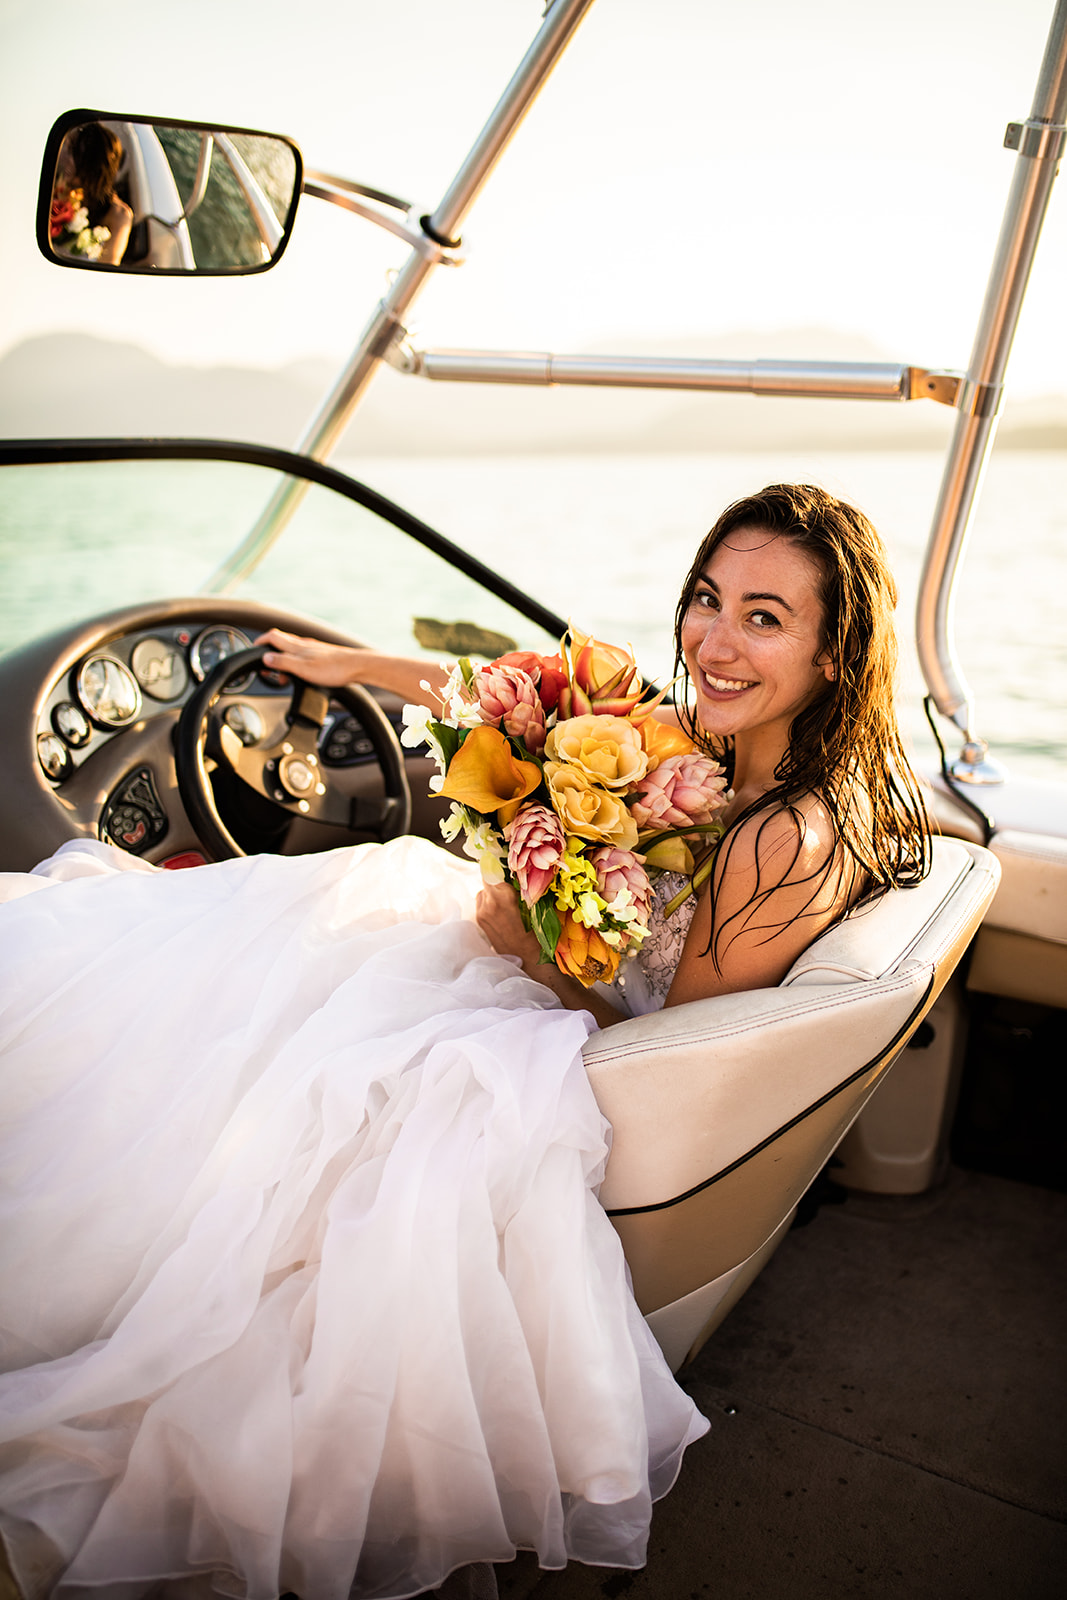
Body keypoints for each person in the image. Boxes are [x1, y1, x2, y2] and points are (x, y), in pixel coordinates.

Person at [0, 485, 929, 1599]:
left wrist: (524, 938)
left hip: (565, 1054)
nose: (713, 642)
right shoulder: (737, 752)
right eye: (705, 599)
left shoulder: (780, 835)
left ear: (835, 651)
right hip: (545, 988)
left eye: (763, 617)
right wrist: (352, 673)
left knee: (247, 1017)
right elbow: (506, 705)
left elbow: (672, 1058)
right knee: (289, 934)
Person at [50, 123, 133, 266]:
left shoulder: (119, 216)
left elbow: (109, 265)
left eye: (73, 153)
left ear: (93, 167)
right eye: (67, 147)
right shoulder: (53, 186)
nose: (63, 156)